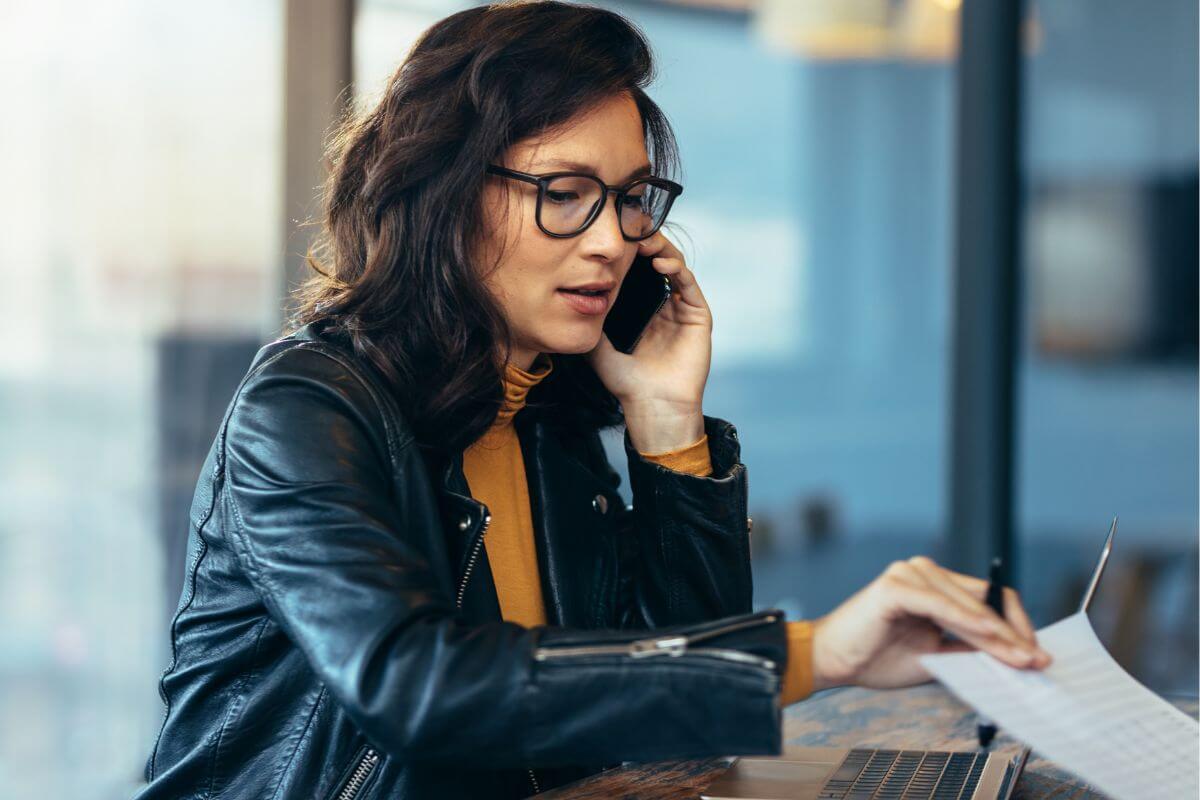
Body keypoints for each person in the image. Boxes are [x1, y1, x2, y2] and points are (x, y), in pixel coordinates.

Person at [134, 3, 1050, 798]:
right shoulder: (306, 408)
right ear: (442, 194)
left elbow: (676, 718)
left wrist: (667, 426)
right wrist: (809, 653)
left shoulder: (544, 418)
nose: (614, 240)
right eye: (567, 194)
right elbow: (419, 687)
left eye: (630, 199)